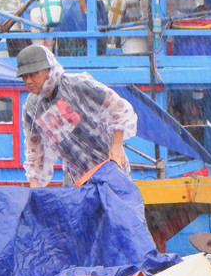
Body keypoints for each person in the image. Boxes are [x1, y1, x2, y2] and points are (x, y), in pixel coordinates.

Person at [17, 44, 137, 187]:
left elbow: (117, 106)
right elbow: (34, 148)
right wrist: (34, 183)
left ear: (48, 69)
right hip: (75, 180)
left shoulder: (75, 85)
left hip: (108, 165)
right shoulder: (32, 107)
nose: (28, 81)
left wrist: (117, 144)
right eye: (24, 77)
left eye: (33, 74)